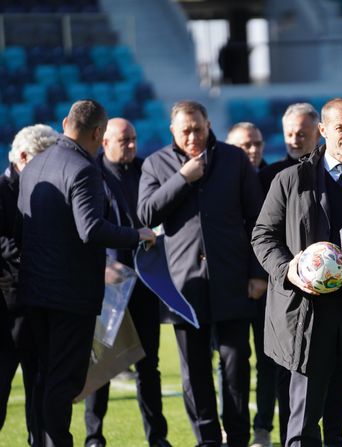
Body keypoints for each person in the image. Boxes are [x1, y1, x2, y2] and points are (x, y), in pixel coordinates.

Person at [252, 98, 342, 447]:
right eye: (341, 127)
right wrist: (290, 271)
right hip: (308, 315)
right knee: (303, 421)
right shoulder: (290, 179)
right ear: (323, 130)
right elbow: (262, 236)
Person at [17, 100, 156, 447]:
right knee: (65, 380)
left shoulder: (33, 165)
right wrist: (136, 234)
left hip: (34, 290)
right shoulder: (83, 168)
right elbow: (91, 229)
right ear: (99, 133)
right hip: (69, 296)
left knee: (43, 377)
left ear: (65, 122)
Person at [138, 100, 265, 447]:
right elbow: (145, 214)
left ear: (209, 124)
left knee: (237, 366)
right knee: (194, 370)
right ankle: (208, 439)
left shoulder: (234, 159)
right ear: (172, 132)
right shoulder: (156, 163)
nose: (193, 136)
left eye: (198, 128)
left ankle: (238, 437)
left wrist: (258, 273)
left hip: (233, 280)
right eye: (185, 131)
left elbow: (258, 219)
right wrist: (182, 178)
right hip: (184, 288)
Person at [257, 103, 342, 447]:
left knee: (341, 396)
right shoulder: (280, 178)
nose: (295, 139)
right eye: (290, 133)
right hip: (299, 309)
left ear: (318, 133)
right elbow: (262, 234)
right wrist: (289, 270)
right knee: (298, 398)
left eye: (302, 132)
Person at [83, 118, 171, 447]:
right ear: (105, 142)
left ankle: (157, 438)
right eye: (124, 140)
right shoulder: (90, 174)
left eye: (134, 139)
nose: (131, 145)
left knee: (149, 365)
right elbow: (87, 228)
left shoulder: (147, 169)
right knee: (103, 366)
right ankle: (94, 437)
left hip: (145, 282)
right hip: (107, 284)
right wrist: (100, 264)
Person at [0, 124, 58, 439]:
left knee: (42, 394)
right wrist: (30, 257)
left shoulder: (44, 191)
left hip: (40, 305)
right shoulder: (0, 190)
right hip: (6, 314)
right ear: (23, 157)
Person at [225, 121, 273, 447]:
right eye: (245, 145)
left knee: (270, 361)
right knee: (231, 361)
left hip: (269, 284)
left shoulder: (275, 177)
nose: (253, 150)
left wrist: (261, 274)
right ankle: (234, 426)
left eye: (257, 143)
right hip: (230, 285)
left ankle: (263, 429)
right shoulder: (221, 179)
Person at [259, 103, 321, 193]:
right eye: (289, 135)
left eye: (301, 134)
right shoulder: (268, 175)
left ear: (318, 134)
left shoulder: (331, 170)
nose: (294, 141)